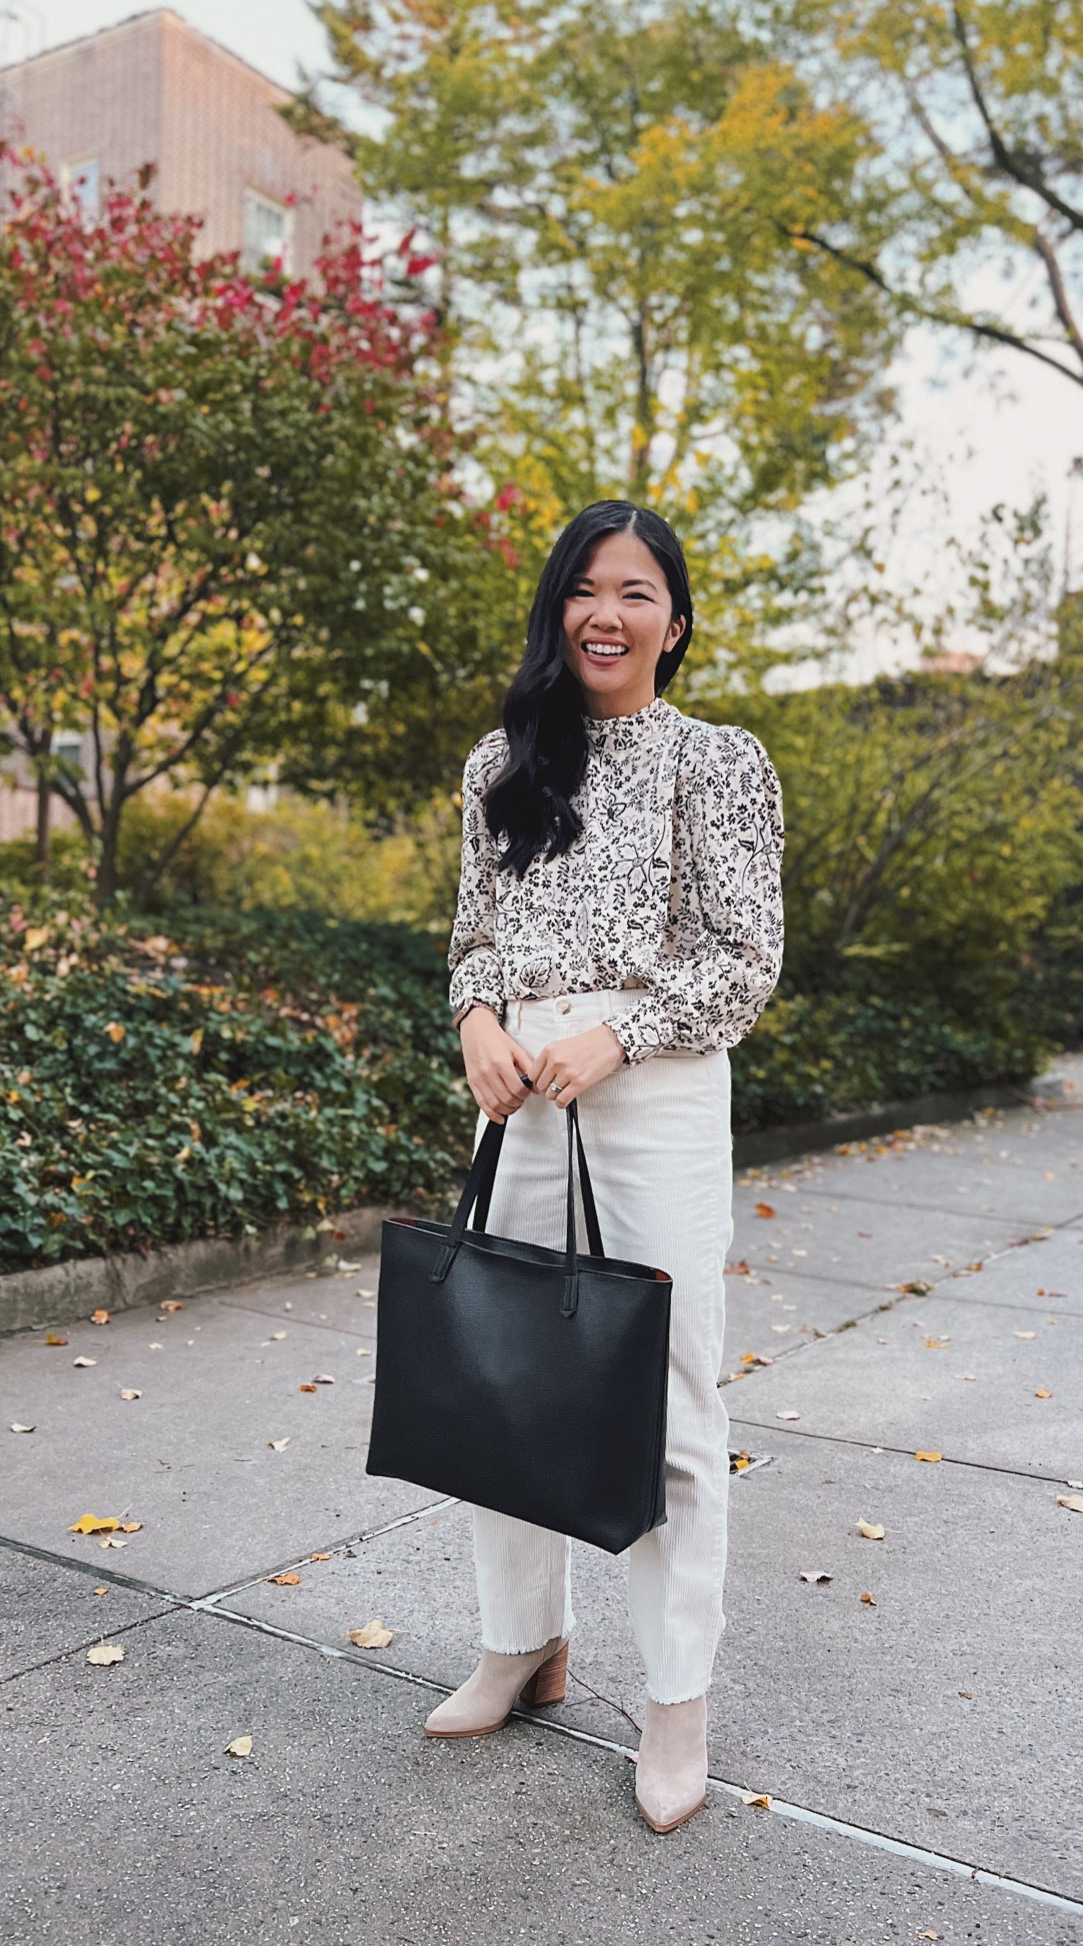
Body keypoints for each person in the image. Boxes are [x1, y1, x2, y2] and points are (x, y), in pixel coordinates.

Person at [427, 499, 784, 1833]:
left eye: (635, 591)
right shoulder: (501, 764)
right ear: (555, 610)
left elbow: (742, 959)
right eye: (583, 588)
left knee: (669, 1401)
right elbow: (473, 936)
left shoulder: (718, 763)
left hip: (656, 1099)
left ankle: (675, 1700)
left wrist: (615, 1032)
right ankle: (524, 1644)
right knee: (502, 1375)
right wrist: (474, 1023)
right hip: (516, 1091)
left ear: (674, 622)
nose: (605, 612)